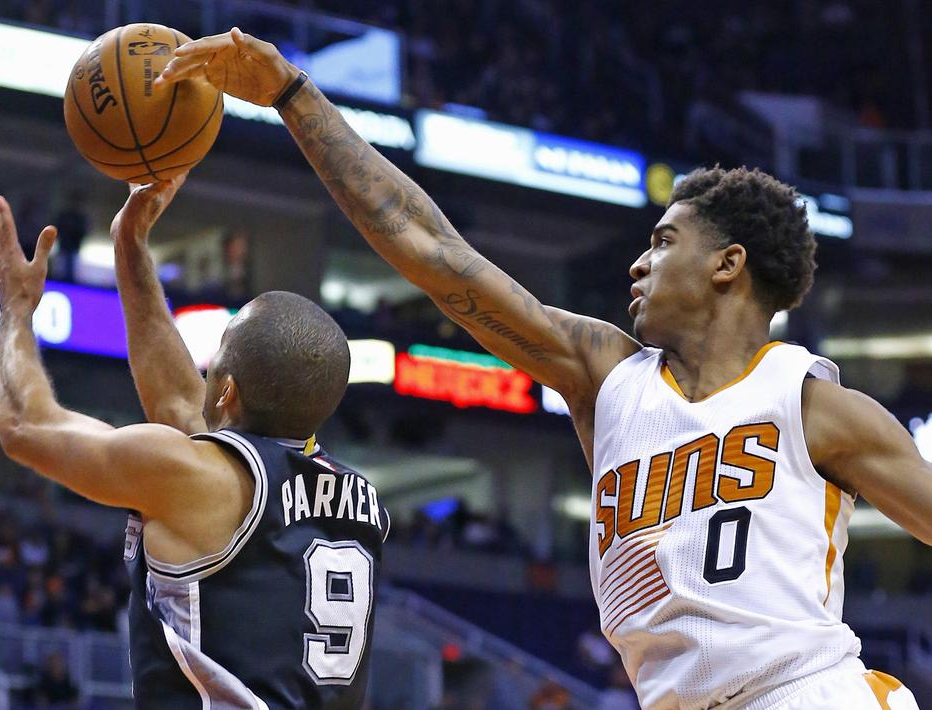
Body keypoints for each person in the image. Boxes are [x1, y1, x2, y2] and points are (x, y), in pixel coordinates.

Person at [156, 29, 932, 710]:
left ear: (728, 265)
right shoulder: (605, 376)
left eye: (663, 242)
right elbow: (436, 256)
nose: (637, 262)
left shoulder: (811, 405)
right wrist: (293, 95)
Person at [0, 181, 389, 708]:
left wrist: (17, 310)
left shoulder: (201, 480)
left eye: (219, 352)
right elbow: (181, 405)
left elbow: (23, 424)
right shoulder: (359, 499)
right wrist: (129, 246)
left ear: (227, 390)